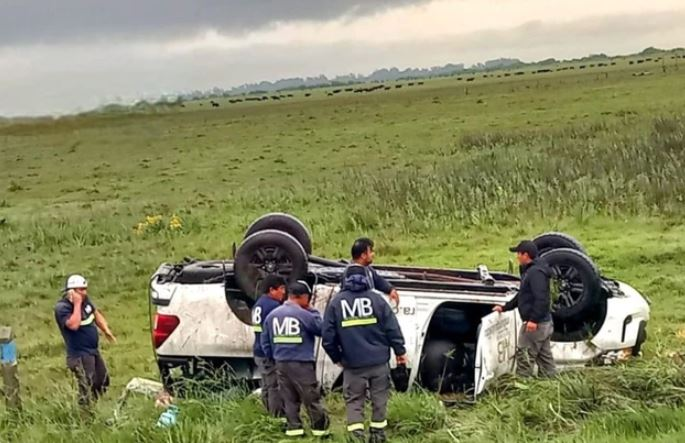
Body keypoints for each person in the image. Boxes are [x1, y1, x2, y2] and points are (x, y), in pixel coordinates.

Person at [322, 266, 407, 443]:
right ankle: (378, 436)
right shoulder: (377, 300)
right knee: (379, 399)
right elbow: (392, 329)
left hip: (352, 365)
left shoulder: (336, 303)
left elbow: (328, 338)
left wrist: (337, 358)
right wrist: (400, 352)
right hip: (378, 362)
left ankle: (356, 437)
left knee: (354, 401)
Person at [261, 281, 330, 438]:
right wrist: (313, 311)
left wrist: (274, 357)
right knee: (311, 397)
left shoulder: (272, 316)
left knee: (289, 399)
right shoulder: (305, 315)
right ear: (304, 296)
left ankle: (294, 431)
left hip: (280, 363)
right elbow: (322, 329)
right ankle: (320, 432)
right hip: (301, 363)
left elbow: (265, 343)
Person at [493, 240, 556, 378]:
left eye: (518, 254)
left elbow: (541, 298)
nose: (517, 257)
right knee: (545, 359)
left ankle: (523, 385)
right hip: (544, 323)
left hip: (536, 325)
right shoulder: (535, 269)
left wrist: (533, 320)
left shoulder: (535, 273)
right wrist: (504, 308)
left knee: (525, 357)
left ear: (525, 255)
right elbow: (523, 295)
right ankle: (552, 384)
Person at [54, 274, 116, 408]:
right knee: (87, 384)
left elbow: (94, 312)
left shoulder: (85, 300)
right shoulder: (62, 308)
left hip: (92, 351)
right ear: (71, 291)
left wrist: (106, 330)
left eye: (85, 289)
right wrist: (77, 304)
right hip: (79, 354)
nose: (84, 293)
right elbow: (74, 325)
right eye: (80, 290)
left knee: (103, 380)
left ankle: (93, 405)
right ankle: (85, 412)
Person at [251, 275, 287, 418]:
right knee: (275, 387)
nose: (284, 292)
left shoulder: (258, 304)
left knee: (266, 385)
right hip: (268, 352)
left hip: (258, 350)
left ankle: (268, 413)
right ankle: (278, 417)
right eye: (281, 289)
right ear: (272, 290)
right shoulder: (274, 307)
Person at [350, 238, 400, 306]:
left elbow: (378, 280)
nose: (373, 254)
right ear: (363, 255)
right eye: (370, 251)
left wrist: (390, 289)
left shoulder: (368, 270)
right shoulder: (351, 274)